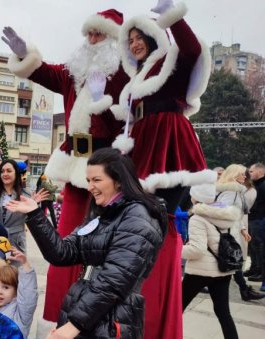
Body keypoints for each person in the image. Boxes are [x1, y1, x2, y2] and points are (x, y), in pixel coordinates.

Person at [2, 10, 129, 329]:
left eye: (99, 34)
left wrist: (105, 104)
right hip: (76, 161)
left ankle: (98, 316)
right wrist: (23, 54)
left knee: (108, 243)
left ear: (114, 38)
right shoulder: (73, 72)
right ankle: (56, 318)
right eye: (89, 34)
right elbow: (43, 71)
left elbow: (131, 113)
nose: (92, 40)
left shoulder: (125, 72)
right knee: (67, 237)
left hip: (110, 164)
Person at [107, 1, 215, 337]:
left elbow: (193, 48)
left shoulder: (172, 61)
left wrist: (174, 16)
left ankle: (154, 309)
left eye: (141, 37)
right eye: (132, 39)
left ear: (155, 36)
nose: (135, 43)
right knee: (138, 223)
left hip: (168, 142)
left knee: (159, 223)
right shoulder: (137, 74)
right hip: (141, 145)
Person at [6, 148, 166, 338]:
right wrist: (35, 215)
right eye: (88, 180)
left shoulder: (138, 216)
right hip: (87, 311)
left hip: (112, 319)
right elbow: (61, 253)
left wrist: (74, 324)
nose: (90, 187)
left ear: (120, 180)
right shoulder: (101, 214)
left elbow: (115, 279)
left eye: (97, 180)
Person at [182, 184, 241, 339]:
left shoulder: (197, 218)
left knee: (176, 308)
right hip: (225, 269)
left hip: (200, 271)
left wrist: (177, 250)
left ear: (196, 198)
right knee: (223, 313)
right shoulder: (229, 215)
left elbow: (197, 250)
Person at [215, 165, 264, 300]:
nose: (245, 177)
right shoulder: (232, 191)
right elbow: (222, 211)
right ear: (234, 175)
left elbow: (235, 214)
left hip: (231, 231)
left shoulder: (236, 191)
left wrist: (242, 229)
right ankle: (244, 290)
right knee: (232, 262)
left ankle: (244, 290)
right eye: (242, 174)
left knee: (232, 263)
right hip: (227, 233)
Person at [0, 249, 38, 338]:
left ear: (16, 292)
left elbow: (28, 295)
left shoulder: (20, 313)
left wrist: (25, 264)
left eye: (6, 287)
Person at [246, 163, 265, 283]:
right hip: (253, 218)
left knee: (259, 246)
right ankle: (254, 269)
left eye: (252, 171)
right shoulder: (256, 185)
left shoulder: (263, 185)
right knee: (252, 245)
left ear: (260, 171)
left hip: (260, 219)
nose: (249, 173)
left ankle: (261, 272)